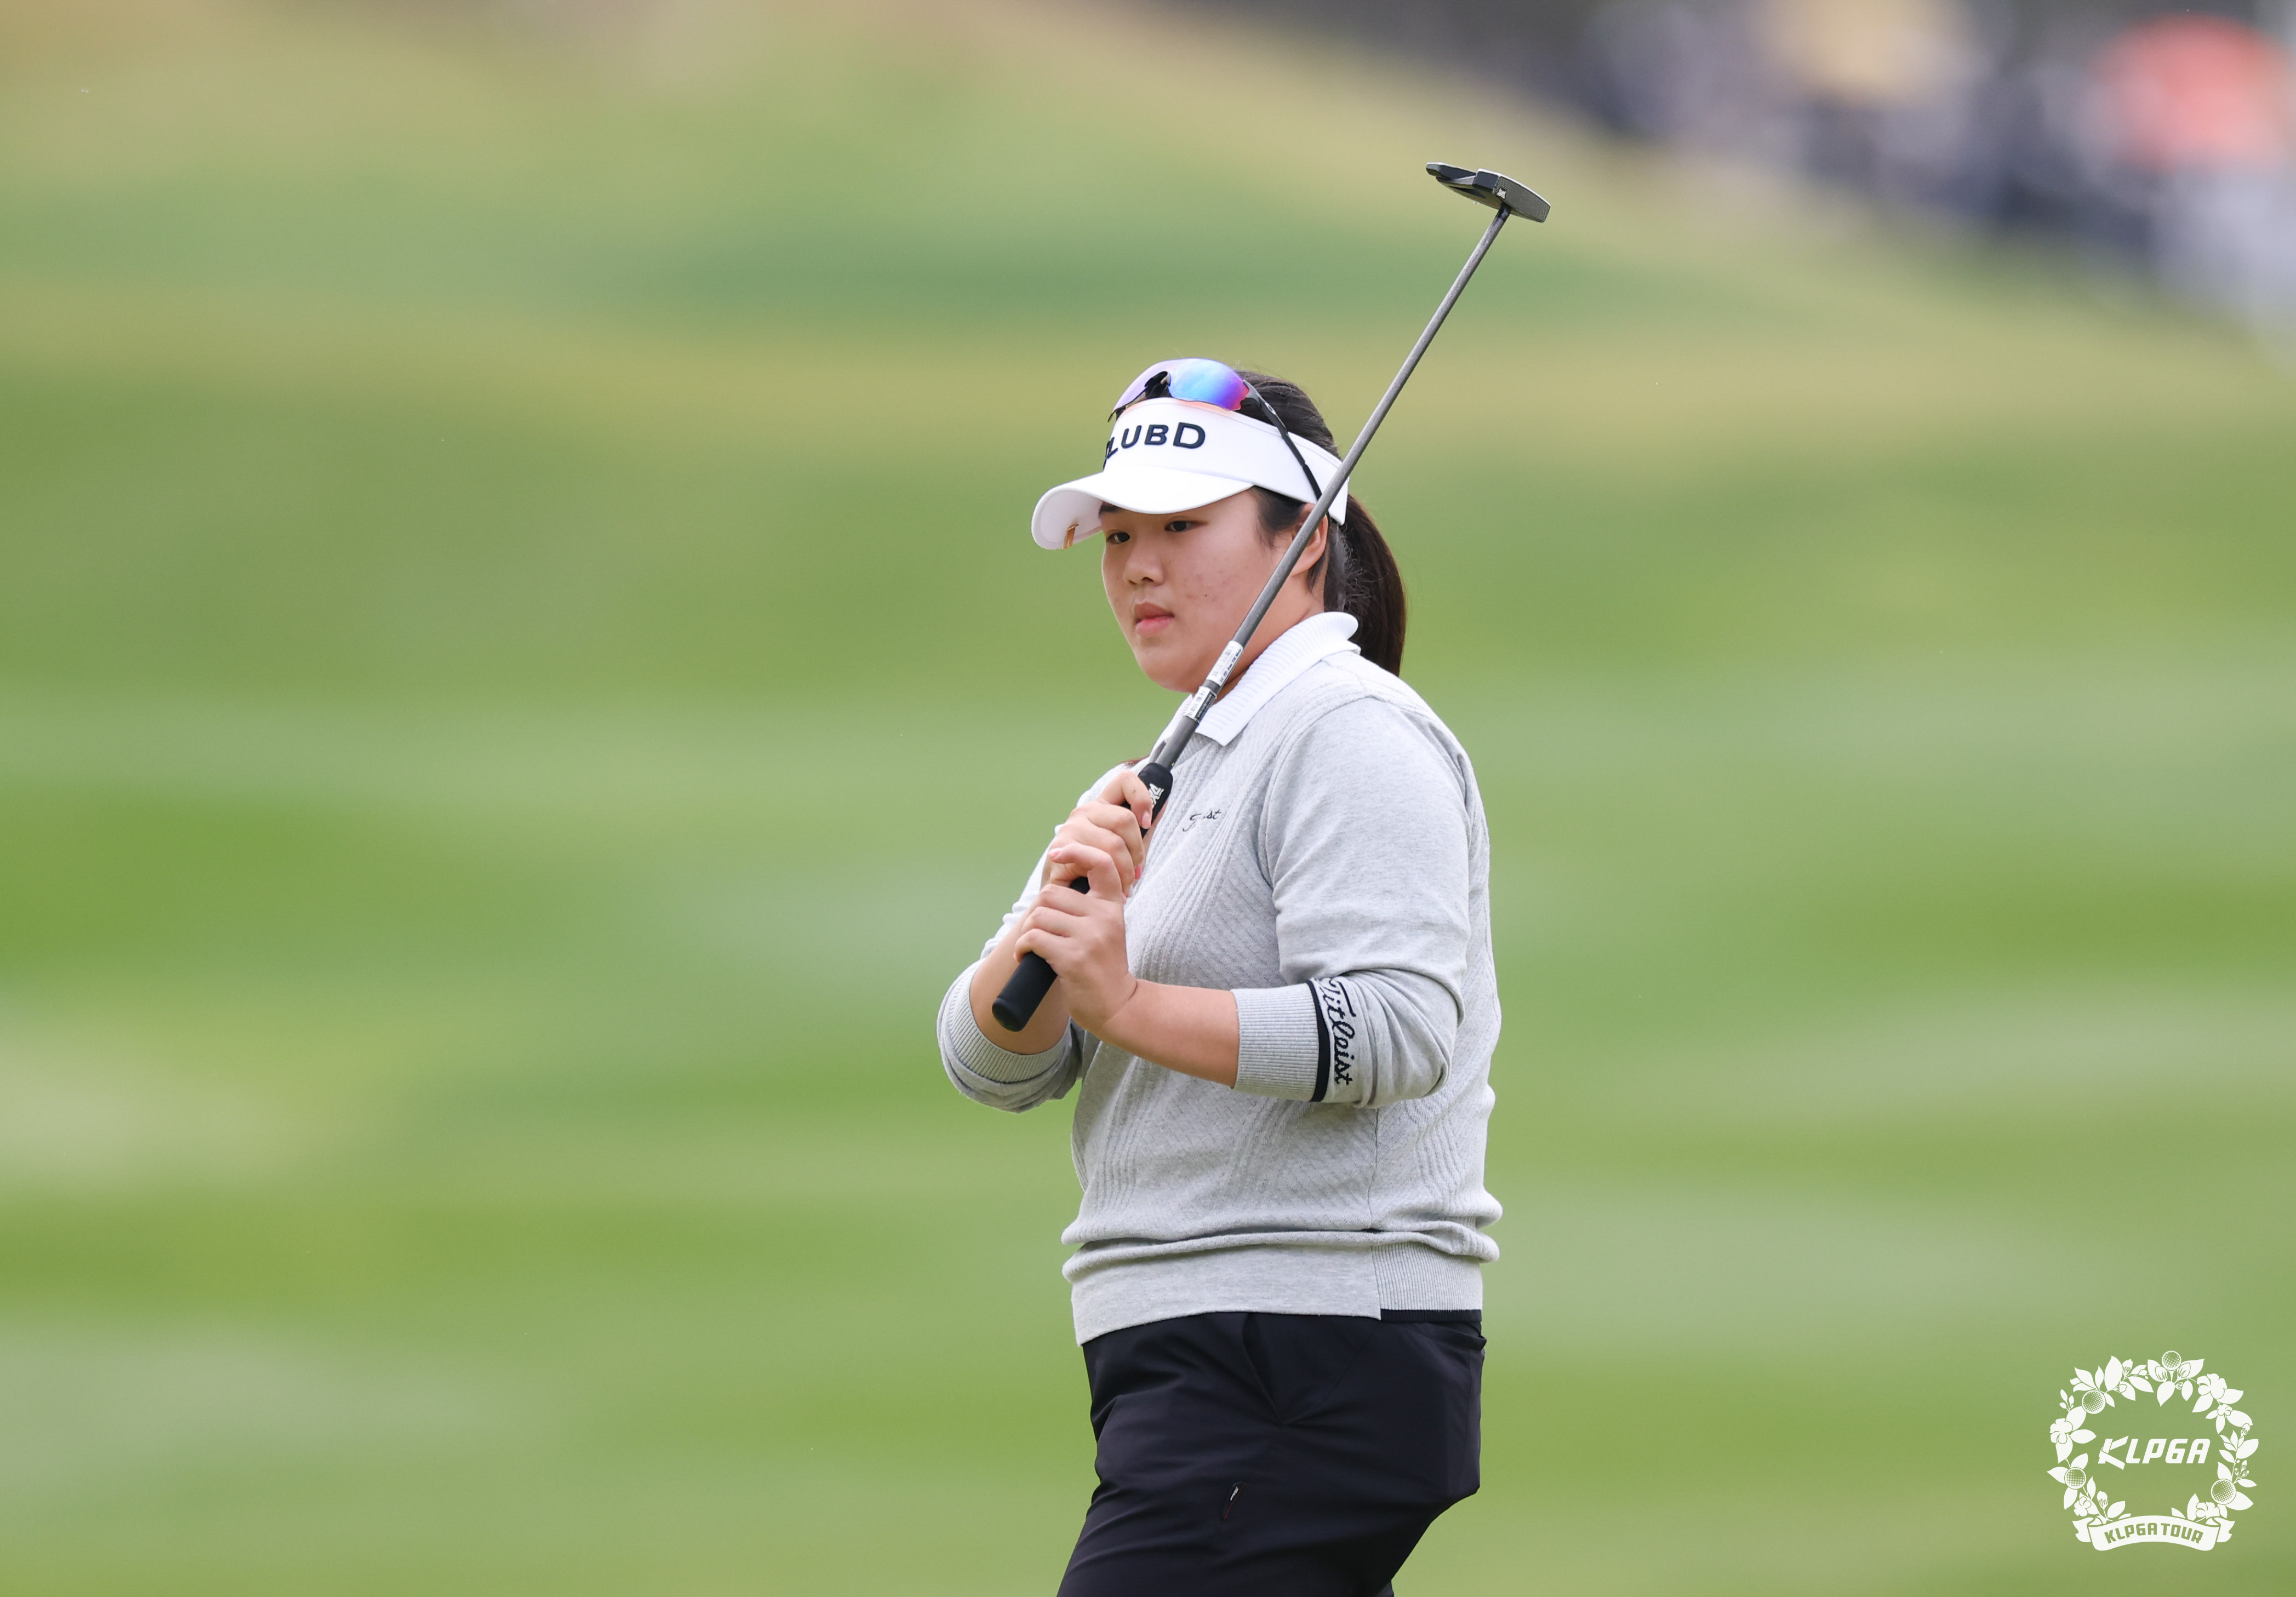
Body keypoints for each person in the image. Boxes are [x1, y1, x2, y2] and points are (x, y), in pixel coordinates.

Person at [934, 358, 1501, 1596]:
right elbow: (989, 1064)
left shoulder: (1347, 727)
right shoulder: (1164, 772)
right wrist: (1052, 940)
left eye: (1181, 526)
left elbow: (1397, 1029)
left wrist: (1126, 1003)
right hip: (1199, 1354)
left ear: (1303, 539)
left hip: (1306, 1342)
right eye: (1117, 535)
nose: (1137, 566)